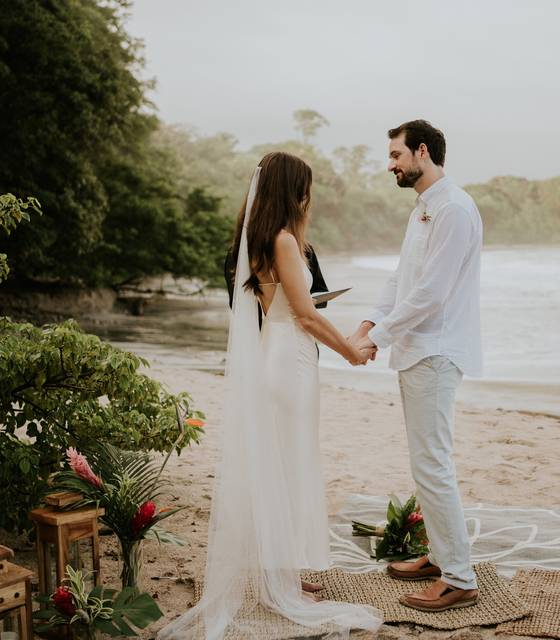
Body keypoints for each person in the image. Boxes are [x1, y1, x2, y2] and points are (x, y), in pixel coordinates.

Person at [158, 152, 381, 639]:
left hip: (277, 356)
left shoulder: (263, 239)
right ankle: (282, 586)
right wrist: (350, 351)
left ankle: (278, 578)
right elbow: (304, 314)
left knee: (281, 467)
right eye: (306, 187)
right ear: (291, 190)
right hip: (289, 362)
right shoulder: (282, 240)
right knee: (290, 468)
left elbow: (287, 308)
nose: (310, 197)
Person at [350, 120, 483, 612]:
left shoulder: (453, 209)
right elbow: (402, 278)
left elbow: (432, 293)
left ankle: (460, 580)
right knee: (425, 463)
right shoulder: (424, 208)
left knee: (432, 464)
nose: (391, 165)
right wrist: (367, 325)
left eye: (395, 155)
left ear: (422, 152)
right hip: (417, 348)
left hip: (436, 350)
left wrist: (378, 337)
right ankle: (440, 556)